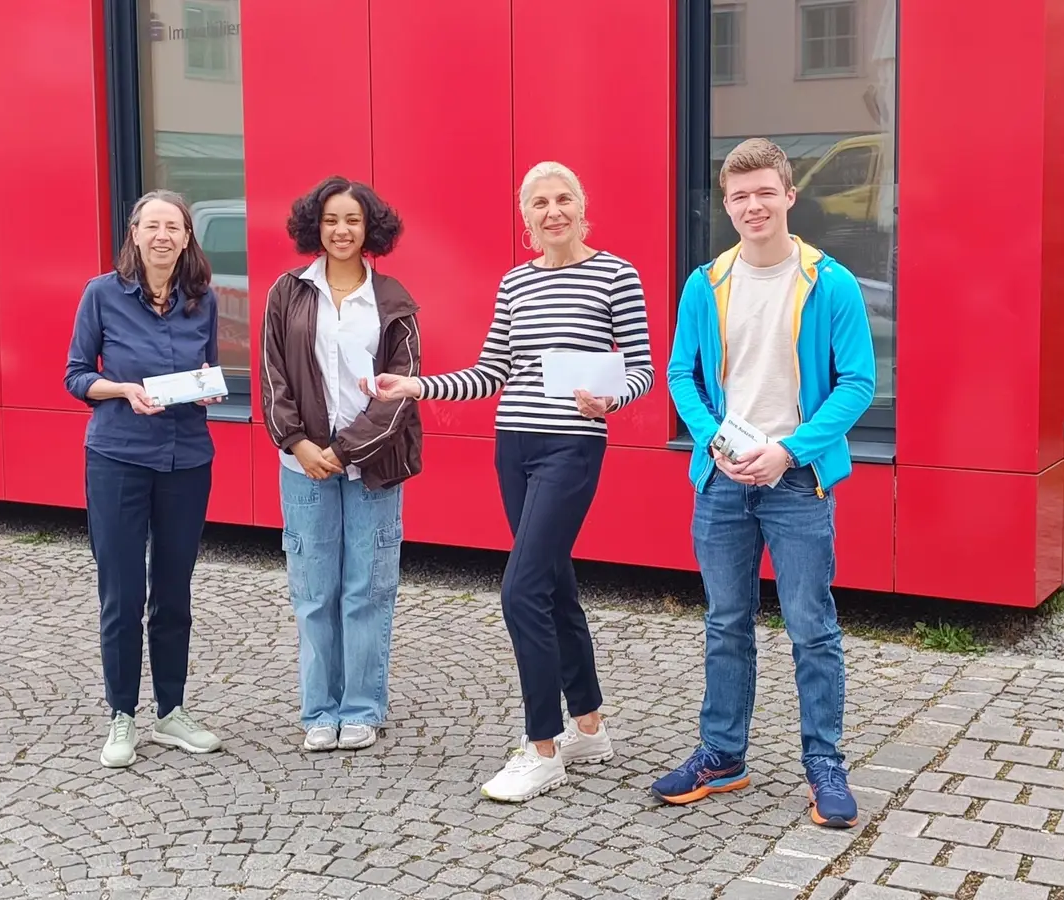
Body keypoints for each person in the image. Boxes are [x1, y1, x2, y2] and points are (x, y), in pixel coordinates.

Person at [367, 161, 654, 802]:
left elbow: (641, 368)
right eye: (539, 204)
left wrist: (610, 400)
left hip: (572, 447)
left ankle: (542, 745)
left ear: (583, 208)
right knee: (553, 586)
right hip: (513, 447)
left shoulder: (615, 275)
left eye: (563, 200)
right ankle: (590, 725)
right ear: (525, 220)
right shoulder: (516, 282)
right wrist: (416, 385)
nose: (552, 212)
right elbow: (491, 371)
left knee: (520, 589)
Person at [655, 138, 876, 827]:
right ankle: (723, 755)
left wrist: (789, 450)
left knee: (811, 627)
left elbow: (857, 384)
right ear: (727, 205)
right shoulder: (706, 283)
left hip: (797, 480)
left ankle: (824, 762)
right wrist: (712, 439)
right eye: (739, 196)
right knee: (725, 623)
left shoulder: (828, 282)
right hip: (721, 481)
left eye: (764, 193)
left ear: (789, 196)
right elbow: (681, 375)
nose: (753, 206)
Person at [64, 189, 227, 768]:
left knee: (174, 591)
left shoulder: (201, 301)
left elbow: (205, 372)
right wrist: (124, 390)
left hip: (187, 460)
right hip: (118, 459)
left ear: (187, 239)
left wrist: (206, 383)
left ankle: (172, 711)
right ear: (134, 233)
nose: (163, 236)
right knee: (123, 592)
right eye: (152, 225)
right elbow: (77, 376)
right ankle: (122, 716)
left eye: (174, 227)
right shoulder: (102, 295)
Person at [260, 175, 423, 753]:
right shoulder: (288, 292)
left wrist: (344, 449)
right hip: (301, 466)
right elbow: (273, 377)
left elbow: (400, 393)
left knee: (367, 589)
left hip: (372, 467)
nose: (342, 230)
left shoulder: (394, 301)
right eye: (331, 219)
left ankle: (361, 706)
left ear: (370, 227)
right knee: (313, 591)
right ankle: (319, 710)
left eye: (352, 219)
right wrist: (300, 445)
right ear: (315, 226)